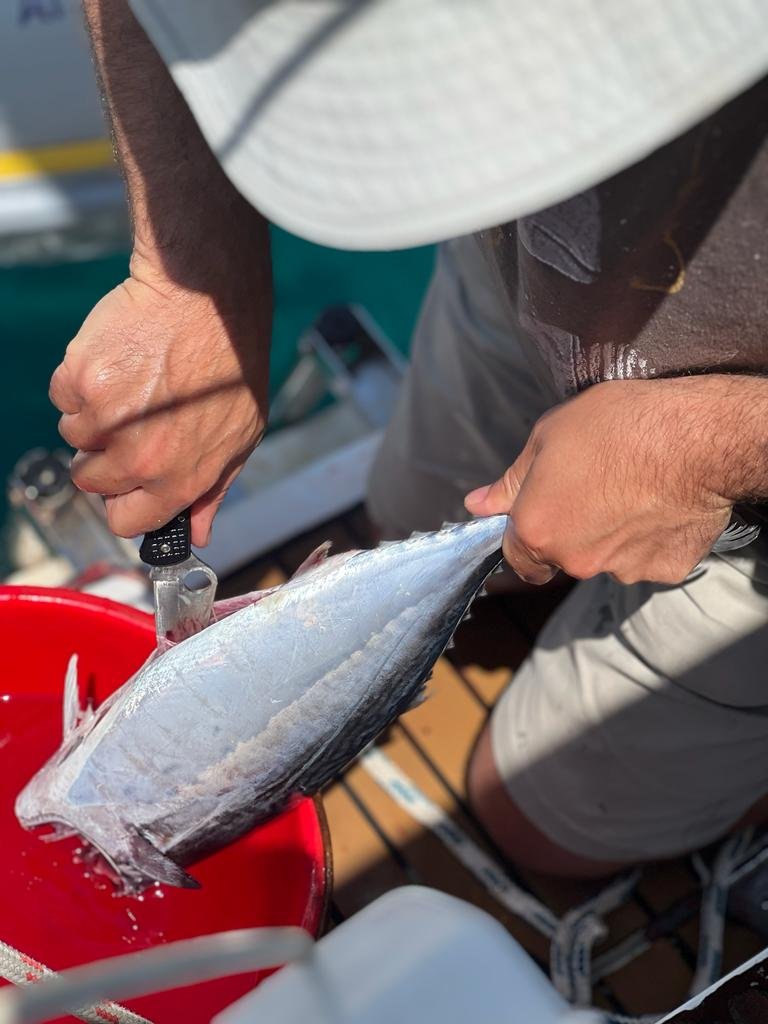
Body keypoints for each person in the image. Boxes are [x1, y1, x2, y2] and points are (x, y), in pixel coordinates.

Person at [51, 1, 768, 877]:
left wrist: (707, 446)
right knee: (405, 516)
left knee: (534, 826)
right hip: (525, 276)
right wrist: (187, 268)